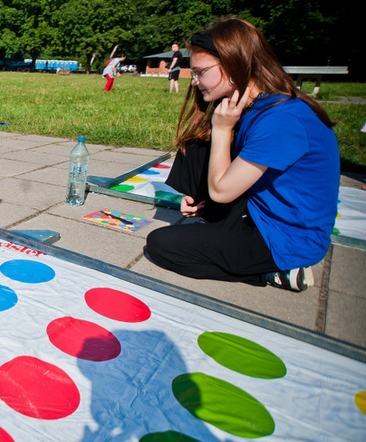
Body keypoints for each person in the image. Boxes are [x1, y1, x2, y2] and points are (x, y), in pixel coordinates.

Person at [145, 18, 339, 292]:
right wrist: (204, 199)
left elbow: (223, 192)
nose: (194, 81)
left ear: (235, 64)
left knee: (162, 246)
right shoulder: (257, 107)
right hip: (261, 211)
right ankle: (208, 213)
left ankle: (276, 272)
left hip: (287, 237)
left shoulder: (281, 119)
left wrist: (223, 130)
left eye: (201, 72)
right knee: (200, 140)